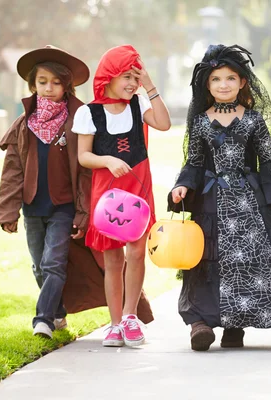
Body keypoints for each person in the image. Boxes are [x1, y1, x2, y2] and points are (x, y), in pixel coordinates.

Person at [169, 44, 271, 351]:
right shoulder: (200, 121)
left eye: (230, 78)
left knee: (246, 262)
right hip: (211, 204)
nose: (223, 84)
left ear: (242, 82)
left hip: (249, 205)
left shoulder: (253, 120)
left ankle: (235, 326)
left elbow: (269, 161)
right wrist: (183, 186)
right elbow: (195, 162)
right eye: (215, 79)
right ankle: (198, 323)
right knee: (206, 259)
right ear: (207, 85)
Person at [75, 45, 171, 347]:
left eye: (135, 76)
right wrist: (107, 160)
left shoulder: (139, 104)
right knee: (113, 259)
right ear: (108, 77)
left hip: (138, 193)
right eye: (126, 76)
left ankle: (131, 317)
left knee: (137, 254)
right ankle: (114, 323)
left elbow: (164, 124)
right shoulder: (89, 112)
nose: (132, 83)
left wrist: (151, 86)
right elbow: (83, 156)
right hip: (107, 196)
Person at [0, 45, 92, 338]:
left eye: (55, 82)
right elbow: (13, 169)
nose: (48, 88)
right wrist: (8, 210)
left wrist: (82, 210)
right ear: (32, 85)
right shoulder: (24, 124)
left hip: (63, 207)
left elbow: (85, 171)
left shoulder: (78, 120)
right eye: (42, 82)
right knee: (39, 266)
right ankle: (58, 311)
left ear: (67, 85)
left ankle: (43, 320)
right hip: (32, 207)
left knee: (54, 263)